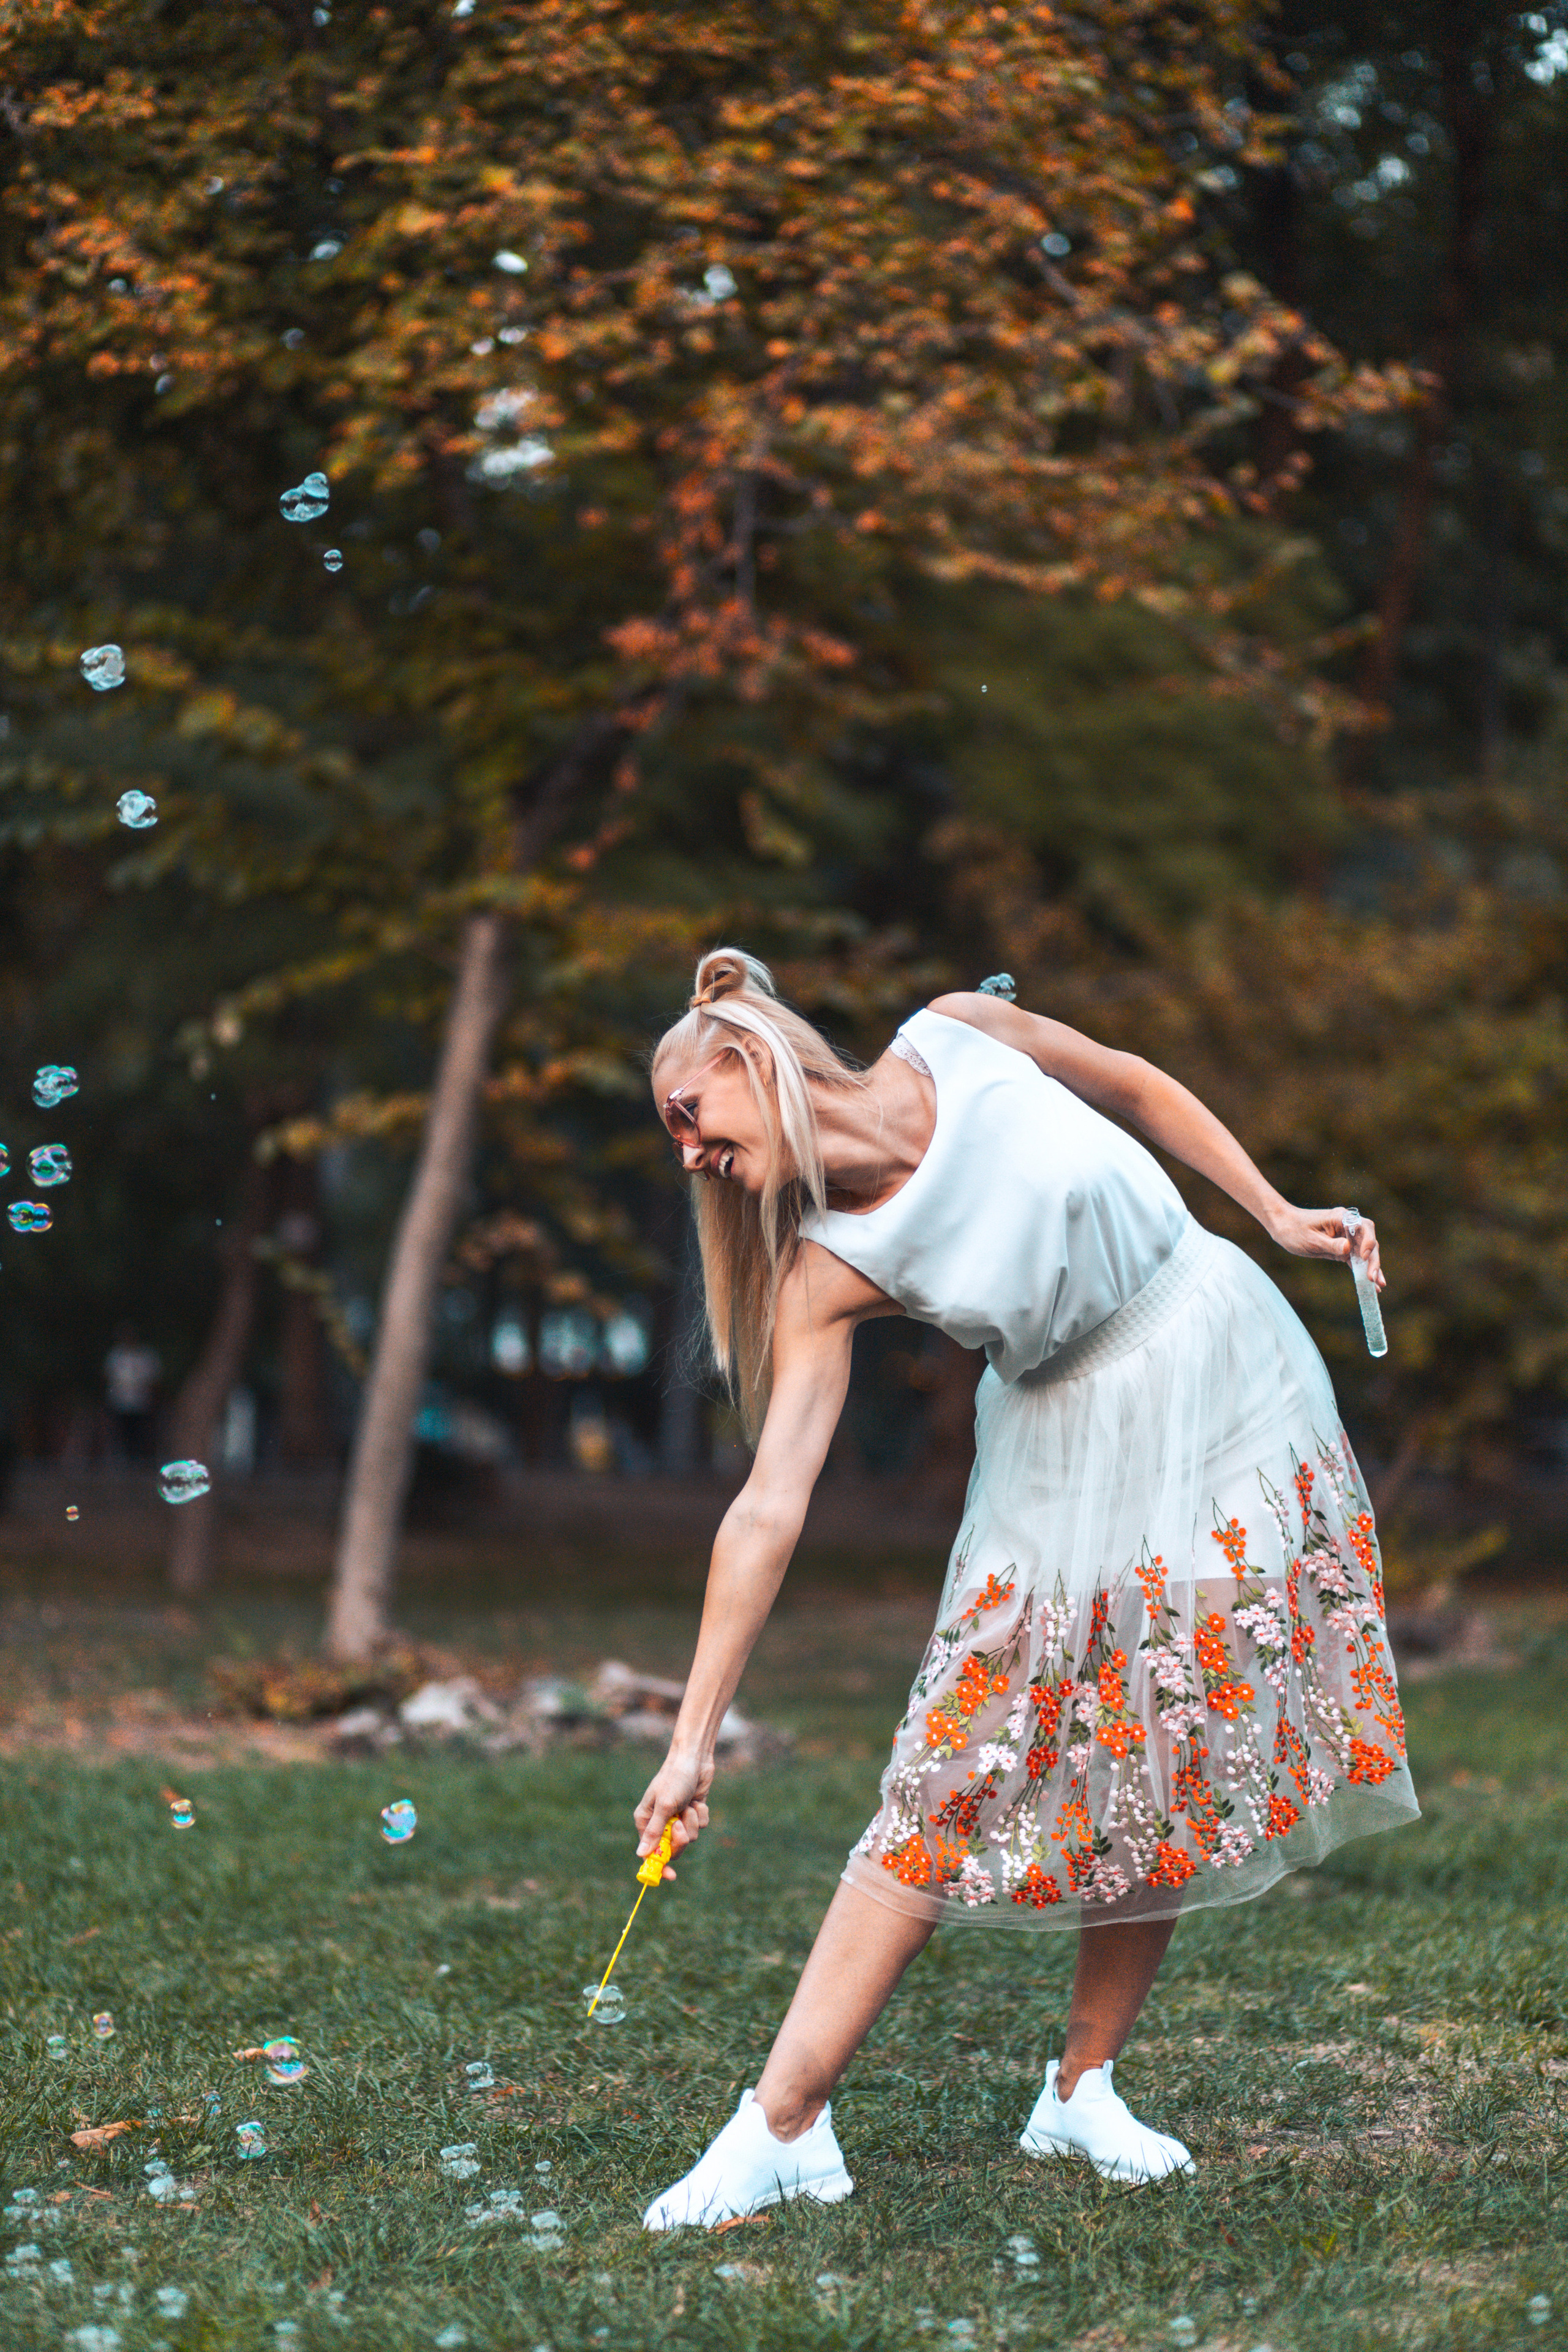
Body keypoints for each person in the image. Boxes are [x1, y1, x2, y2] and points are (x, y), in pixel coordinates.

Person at [635, 949, 1418, 2226]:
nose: (687, 1155)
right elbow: (765, 1508)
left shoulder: (954, 1034)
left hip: (1213, 1358)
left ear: (744, 1058)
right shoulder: (824, 1269)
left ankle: (1080, 2092)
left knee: (1174, 1735)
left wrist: (1273, 1213)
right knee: (946, 1769)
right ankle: (780, 2125)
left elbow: (1129, 1084)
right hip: (1060, 1457)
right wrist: (689, 1743)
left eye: (688, 1117)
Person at [104, 1324, 162, 1462]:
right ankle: (123, 1460)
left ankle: (140, 1460)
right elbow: (108, 1376)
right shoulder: (115, 1355)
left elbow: (154, 1378)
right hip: (120, 1402)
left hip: (141, 1402)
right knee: (121, 1431)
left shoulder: (146, 1356)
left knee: (140, 1432)